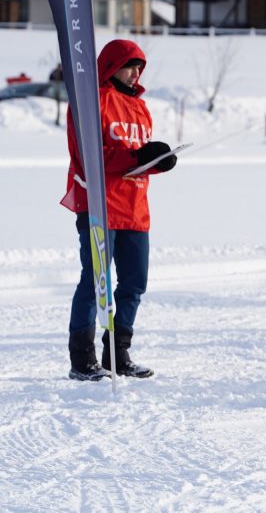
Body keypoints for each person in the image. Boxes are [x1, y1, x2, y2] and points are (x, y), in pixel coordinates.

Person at [63, 39, 178, 381]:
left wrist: (158, 161)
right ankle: (82, 359)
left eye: (139, 67)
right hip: (100, 205)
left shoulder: (141, 108)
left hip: (135, 208)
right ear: (112, 66)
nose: (135, 73)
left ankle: (117, 354)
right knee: (95, 282)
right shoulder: (90, 101)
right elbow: (90, 157)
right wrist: (138, 156)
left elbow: (136, 158)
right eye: (129, 66)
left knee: (134, 283)